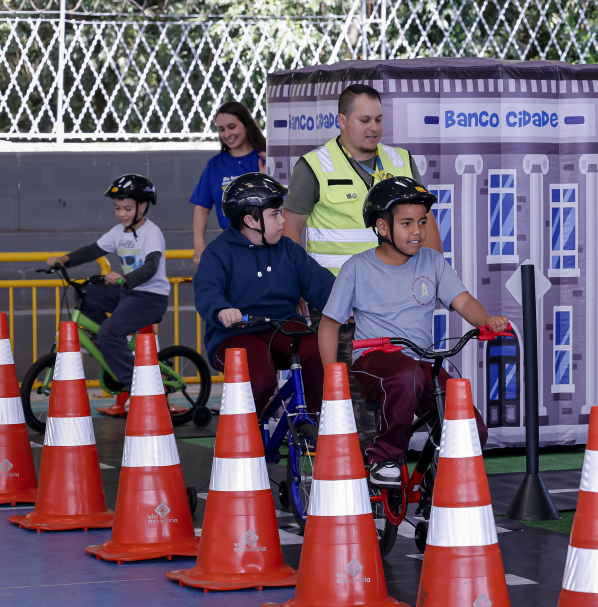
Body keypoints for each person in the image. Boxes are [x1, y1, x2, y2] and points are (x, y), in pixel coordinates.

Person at [317, 176, 508, 488]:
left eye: (422, 222)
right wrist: (331, 375)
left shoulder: (432, 261)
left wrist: (486, 323)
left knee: (468, 422)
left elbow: (463, 300)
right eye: (407, 223)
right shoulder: (357, 267)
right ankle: (385, 457)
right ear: (382, 228)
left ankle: (436, 481)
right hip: (374, 361)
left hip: (420, 364)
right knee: (406, 377)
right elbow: (329, 324)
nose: (418, 231)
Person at [282, 83, 444, 449]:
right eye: (364, 119)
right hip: (339, 304)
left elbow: (425, 224)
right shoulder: (314, 166)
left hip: (395, 304)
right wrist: (300, 292)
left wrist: (434, 280)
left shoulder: (401, 161)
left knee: (398, 396)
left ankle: (387, 480)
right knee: (353, 406)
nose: (374, 127)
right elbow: (291, 233)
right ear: (342, 121)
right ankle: (357, 485)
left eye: (379, 119)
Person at [194, 173, 335, 414]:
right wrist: (221, 310)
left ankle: (309, 425)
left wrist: (346, 303)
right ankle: (243, 434)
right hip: (235, 334)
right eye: (274, 214)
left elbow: (320, 283)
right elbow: (207, 292)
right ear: (250, 220)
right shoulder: (217, 252)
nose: (282, 221)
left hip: (282, 326)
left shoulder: (289, 249)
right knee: (261, 379)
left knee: (317, 353)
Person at [47, 174, 170, 417]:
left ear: (142, 206)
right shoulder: (118, 232)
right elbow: (92, 250)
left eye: (127, 208)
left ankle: (138, 388)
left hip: (149, 297)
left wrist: (126, 278)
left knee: (110, 332)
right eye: (117, 208)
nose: (122, 213)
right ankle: (108, 339)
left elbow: (151, 266)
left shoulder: (151, 233)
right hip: (127, 292)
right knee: (88, 291)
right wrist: (63, 260)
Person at [191, 101, 267, 265]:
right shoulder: (215, 164)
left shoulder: (265, 159)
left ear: (246, 125)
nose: (227, 134)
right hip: (231, 247)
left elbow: (281, 204)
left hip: (265, 244)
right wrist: (198, 243)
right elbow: (202, 209)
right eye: (221, 129)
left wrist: (266, 177)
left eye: (232, 126)